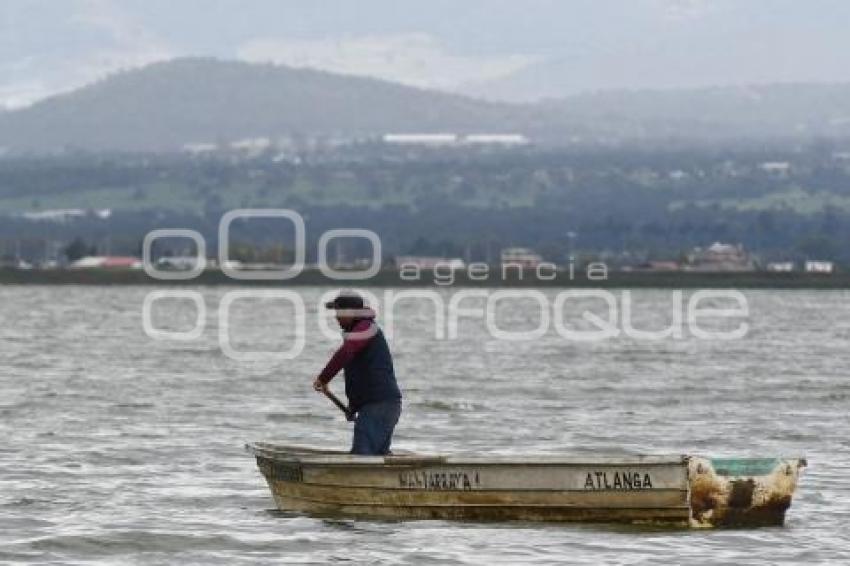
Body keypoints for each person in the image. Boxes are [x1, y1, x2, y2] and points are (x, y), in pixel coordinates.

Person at [313, 292, 402, 455]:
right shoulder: (359, 332)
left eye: (339, 312)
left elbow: (346, 352)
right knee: (376, 457)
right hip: (377, 406)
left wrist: (323, 378)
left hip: (380, 405)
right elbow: (359, 376)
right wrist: (354, 406)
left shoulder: (366, 328)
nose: (336, 317)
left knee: (362, 456)